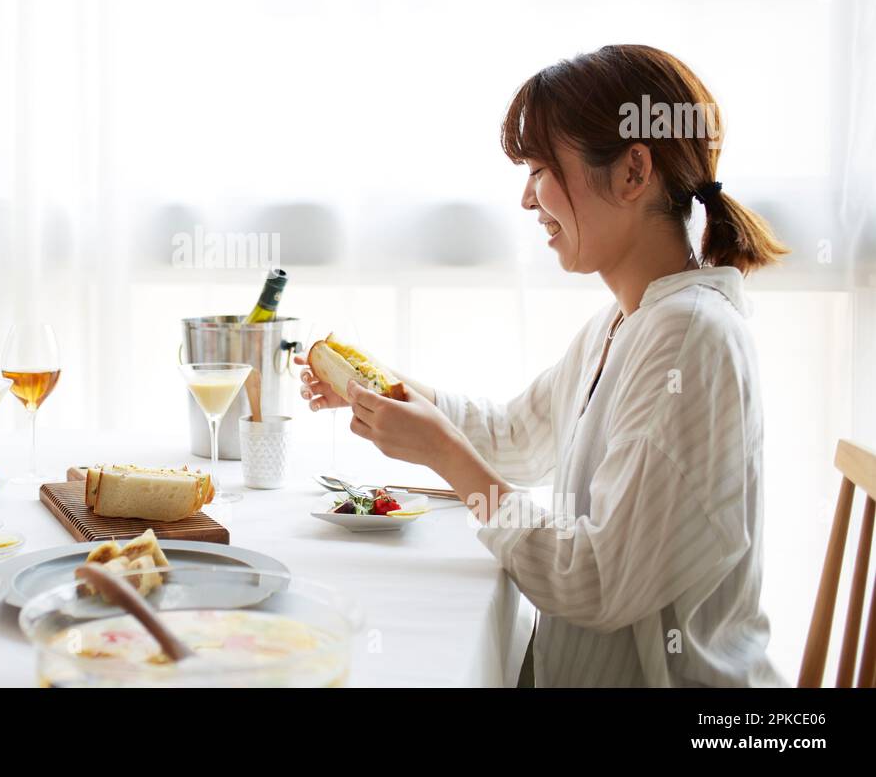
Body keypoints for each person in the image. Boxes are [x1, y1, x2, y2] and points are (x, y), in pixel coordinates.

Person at [300, 45, 788, 686]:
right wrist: (386, 390)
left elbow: (596, 581)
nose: (528, 199)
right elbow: (516, 440)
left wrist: (445, 454)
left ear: (633, 170)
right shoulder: (628, 320)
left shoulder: (687, 338)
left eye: (538, 168)